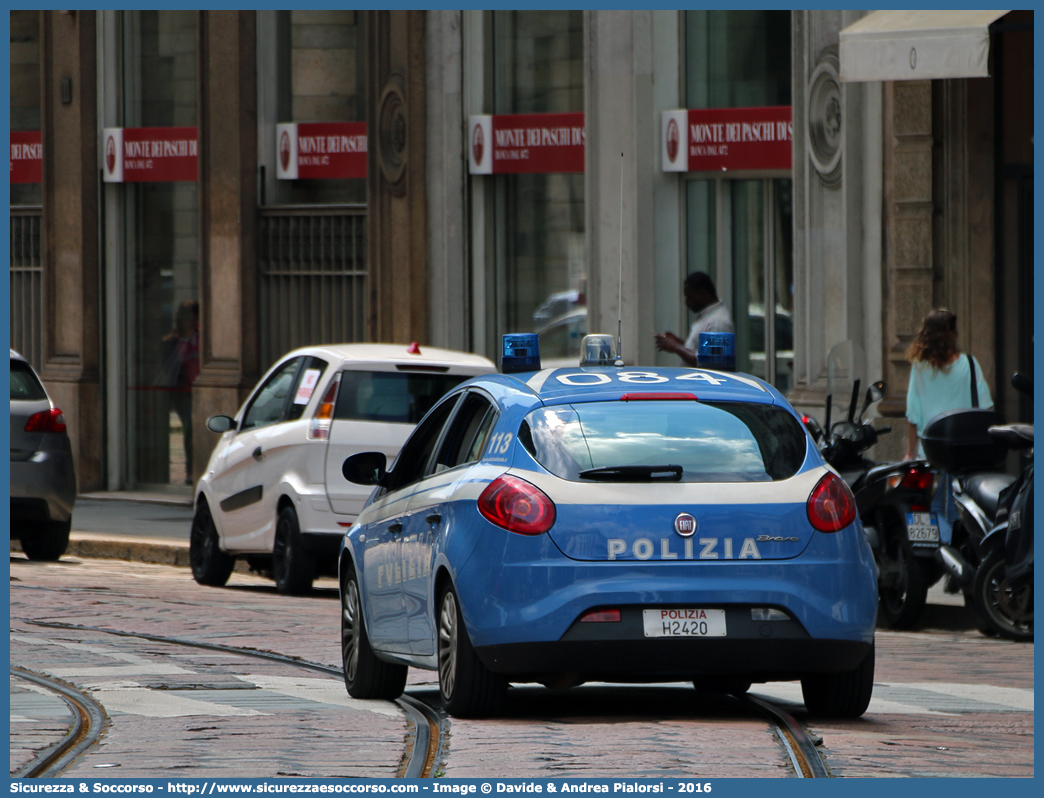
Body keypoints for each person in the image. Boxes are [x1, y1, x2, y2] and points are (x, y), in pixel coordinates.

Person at [904, 308, 993, 544]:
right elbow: (986, 409)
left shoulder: (919, 367)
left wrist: (910, 454)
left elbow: (913, 416)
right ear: (951, 334)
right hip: (966, 456)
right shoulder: (970, 365)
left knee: (927, 510)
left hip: (930, 455)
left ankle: (933, 547)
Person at [654, 271, 734, 367]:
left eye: (689, 297)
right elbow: (700, 351)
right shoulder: (708, 317)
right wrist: (679, 343)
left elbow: (711, 362)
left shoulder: (717, 322)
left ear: (702, 294)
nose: (686, 302)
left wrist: (676, 347)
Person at [161, 299, 200, 484]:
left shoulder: (202, 340)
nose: (187, 322)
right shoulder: (171, 342)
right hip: (182, 391)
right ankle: (190, 470)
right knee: (189, 429)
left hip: (199, 388)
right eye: (183, 318)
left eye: (190, 318)